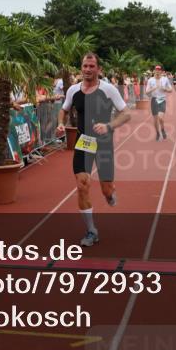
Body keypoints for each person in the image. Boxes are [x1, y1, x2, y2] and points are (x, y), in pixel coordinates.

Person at [56, 53, 130, 247]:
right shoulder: (73, 90)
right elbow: (64, 109)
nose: (88, 69)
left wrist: (109, 126)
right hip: (83, 142)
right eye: (85, 66)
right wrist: (61, 124)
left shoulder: (109, 89)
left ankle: (110, 194)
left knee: (106, 189)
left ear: (98, 69)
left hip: (104, 143)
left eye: (91, 66)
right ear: (81, 68)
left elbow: (126, 113)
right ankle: (91, 231)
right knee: (82, 185)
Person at [145, 65, 173, 141]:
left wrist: (165, 89)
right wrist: (153, 88)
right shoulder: (150, 80)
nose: (157, 71)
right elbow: (146, 92)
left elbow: (171, 90)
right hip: (154, 100)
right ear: (154, 71)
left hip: (162, 99)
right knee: (155, 119)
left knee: (160, 117)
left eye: (159, 70)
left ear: (161, 71)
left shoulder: (165, 79)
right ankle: (157, 133)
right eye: (156, 70)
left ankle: (163, 130)